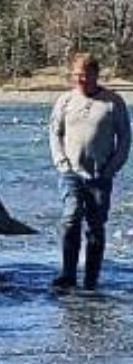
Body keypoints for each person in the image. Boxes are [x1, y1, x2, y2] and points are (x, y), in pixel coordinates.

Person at [49, 50, 131, 291]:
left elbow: (125, 139)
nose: (80, 80)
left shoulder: (113, 102)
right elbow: (54, 133)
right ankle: (68, 274)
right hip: (71, 172)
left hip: (99, 174)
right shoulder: (65, 100)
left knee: (95, 225)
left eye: (85, 75)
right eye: (76, 75)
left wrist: (112, 168)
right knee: (70, 220)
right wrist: (60, 162)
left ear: (96, 74)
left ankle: (91, 278)